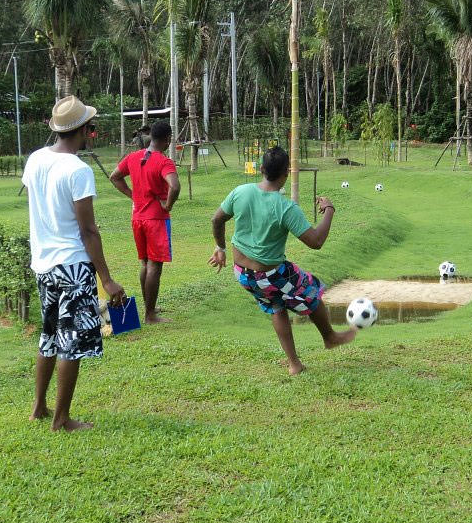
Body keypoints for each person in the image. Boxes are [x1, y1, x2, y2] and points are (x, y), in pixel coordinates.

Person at [22, 95, 126, 432]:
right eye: (91, 129)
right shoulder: (78, 170)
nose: (91, 134)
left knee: (49, 335)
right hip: (72, 266)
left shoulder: (35, 159)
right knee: (72, 342)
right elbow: (88, 230)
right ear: (82, 130)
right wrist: (107, 280)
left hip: (43, 264)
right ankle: (62, 419)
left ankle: (39, 407)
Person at [209, 146, 356, 375]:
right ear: (286, 173)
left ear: (261, 169)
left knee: (276, 306)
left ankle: (294, 364)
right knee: (312, 289)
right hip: (270, 275)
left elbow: (217, 219)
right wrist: (329, 209)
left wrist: (220, 248)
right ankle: (330, 337)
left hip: (243, 275)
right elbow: (316, 242)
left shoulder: (240, 192)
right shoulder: (286, 208)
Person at [109, 120, 180, 324]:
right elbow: (174, 186)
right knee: (154, 266)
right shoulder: (163, 161)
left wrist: (133, 195)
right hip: (155, 219)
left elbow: (115, 177)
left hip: (137, 218)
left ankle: (149, 306)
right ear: (167, 139)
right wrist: (168, 205)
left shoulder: (133, 157)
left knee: (145, 263)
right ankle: (150, 315)